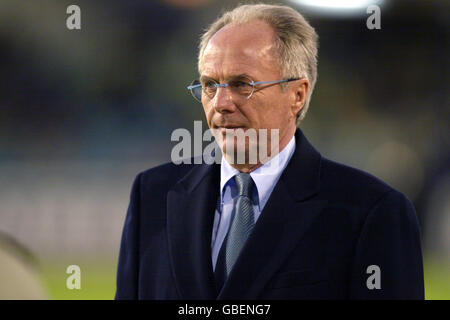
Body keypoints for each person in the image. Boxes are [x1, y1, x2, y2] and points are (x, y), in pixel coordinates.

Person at [115, 3, 424, 299]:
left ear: (297, 95)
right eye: (210, 85)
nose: (221, 103)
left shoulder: (372, 213)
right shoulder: (152, 196)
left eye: (242, 84)